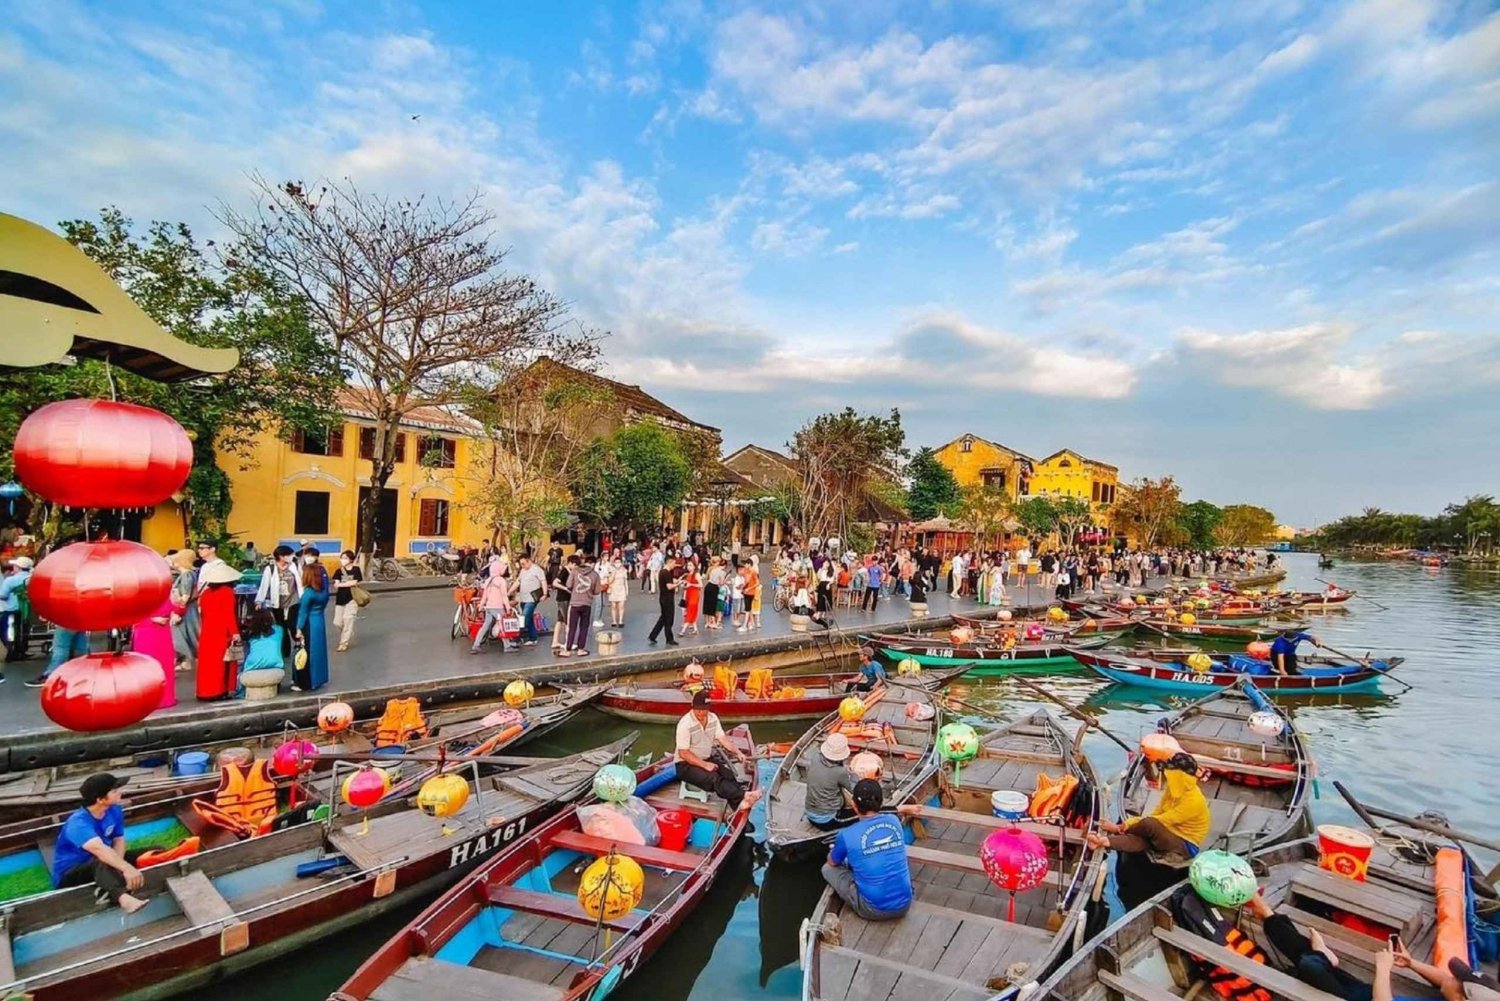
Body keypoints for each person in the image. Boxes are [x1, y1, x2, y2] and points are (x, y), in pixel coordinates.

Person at [52, 774, 150, 913]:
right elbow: (99, 850)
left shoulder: (114, 810)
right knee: (100, 862)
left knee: (152, 851)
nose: (120, 793)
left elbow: (118, 839)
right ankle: (124, 899)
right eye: (114, 791)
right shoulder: (78, 823)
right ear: (100, 799)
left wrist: (119, 866)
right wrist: (126, 869)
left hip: (103, 861)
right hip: (71, 873)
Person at [821, 778, 913, 921]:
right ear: (881, 803)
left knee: (827, 869)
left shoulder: (846, 834)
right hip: (905, 904)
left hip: (872, 909)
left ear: (853, 805)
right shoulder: (894, 820)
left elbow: (832, 863)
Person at [1087, 752, 1209, 857]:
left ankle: (1117, 829)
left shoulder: (1194, 801)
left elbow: (1163, 820)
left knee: (1149, 824)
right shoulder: (1172, 791)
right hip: (1167, 832)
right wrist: (1132, 823)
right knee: (1143, 841)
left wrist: (1125, 825)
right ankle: (1102, 841)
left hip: (1185, 843)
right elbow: (1157, 812)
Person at [674, 690, 759, 811]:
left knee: (728, 775)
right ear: (692, 707)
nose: (701, 712)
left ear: (708, 708)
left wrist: (738, 753)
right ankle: (744, 796)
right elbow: (683, 753)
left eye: (704, 709)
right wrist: (704, 765)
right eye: (698, 709)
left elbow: (723, 740)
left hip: (706, 757)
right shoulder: (685, 723)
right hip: (685, 764)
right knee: (714, 778)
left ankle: (739, 806)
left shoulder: (713, 718)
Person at [196, 561, 243, 700]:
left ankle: (204, 691)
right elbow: (229, 615)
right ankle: (220, 690)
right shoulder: (227, 592)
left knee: (207, 664)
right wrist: (235, 632)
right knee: (222, 663)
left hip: (207, 630)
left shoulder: (205, 593)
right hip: (222, 631)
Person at [130, 588, 177, 710]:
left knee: (164, 665)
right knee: (149, 667)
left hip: (161, 634)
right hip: (146, 634)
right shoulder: (138, 598)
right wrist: (151, 619)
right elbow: (133, 617)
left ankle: (165, 698)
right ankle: (151, 699)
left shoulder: (163, 595)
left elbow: (176, 608)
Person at [254, 545, 302, 663]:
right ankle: (285, 650)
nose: (291, 557)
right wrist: (259, 600)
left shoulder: (294, 566)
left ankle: (298, 642)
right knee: (281, 626)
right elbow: (264, 586)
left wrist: (303, 597)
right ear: (281, 557)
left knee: (292, 623)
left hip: (293, 601)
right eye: (289, 555)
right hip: (277, 603)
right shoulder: (270, 569)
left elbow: (300, 583)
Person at [293, 549, 329, 691]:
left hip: (309, 623)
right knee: (318, 652)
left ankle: (306, 682)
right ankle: (318, 679)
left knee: (306, 652)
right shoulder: (322, 593)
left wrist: (298, 629)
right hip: (319, 621)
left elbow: (302, 613)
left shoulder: (308, 593)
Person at [805, 732, 857, 831]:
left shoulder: (815, 757)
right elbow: (854, 789)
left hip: (809, 812)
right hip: (826, 820)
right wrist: (854, 775)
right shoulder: (840, 772)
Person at [470, 565, 515, 655]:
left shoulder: (488, 580)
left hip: (489, 607)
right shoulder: (501, 581)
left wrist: (482, 605)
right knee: (502, 625)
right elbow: (504, 596)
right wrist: (508, 607)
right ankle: (507, 646)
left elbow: (485, 596)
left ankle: (476, 645)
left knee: (485, 626)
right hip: (497, 607)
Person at [239, 608, 286, 692]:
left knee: (248, 650)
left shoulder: (251, 634)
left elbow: (243, 636)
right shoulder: (279, 630)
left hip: (252, 666)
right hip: (276, 664)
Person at [0, 555, 33, 672]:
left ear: (19, 568)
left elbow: (3, 595)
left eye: (15, 566)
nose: (13, 567)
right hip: (27, 610)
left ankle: (13, 652)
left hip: (12, 609)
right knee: (24, 628)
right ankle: (22, 650)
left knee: (10, 632)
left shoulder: (10, 580)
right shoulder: (33, 577)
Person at [563, 556, 600, 656]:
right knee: (584, 627)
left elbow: (568, 585)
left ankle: (567, 650)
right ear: (593, 564)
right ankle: (581, 649)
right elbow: (597, 591)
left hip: (574, 603)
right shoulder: (595, 574)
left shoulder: (575, 571)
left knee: (572, 627)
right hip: (587, 604)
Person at [330, 550, 363, 652]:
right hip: (340, 599)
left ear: (351, 559)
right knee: (337, 622)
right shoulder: (339, 571)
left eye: (345, 558)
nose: (342, 560)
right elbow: (336, 584)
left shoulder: (356, 570)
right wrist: (341, 584)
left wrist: (341, 584)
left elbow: (354, 582)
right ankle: (348, 631)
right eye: (342, 558)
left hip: (352, 599)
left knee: (348, 619)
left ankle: (343, 643)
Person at [513, 554, 547, 646]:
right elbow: (518, 581)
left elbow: (543, 581)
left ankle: (517, 638)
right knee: (529, 618)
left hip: (532, 599)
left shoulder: (537, 570)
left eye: (523, 563)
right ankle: (533, 638)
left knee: (524, 618)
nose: (522, 566)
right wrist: (509, 592)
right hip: (523, 598)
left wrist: (544, 594)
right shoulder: (523, 571)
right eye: (521, 564)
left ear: (529, 561)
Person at [649, 555, 681, 646]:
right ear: (669, 562)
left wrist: (676, 581)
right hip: (667, 599)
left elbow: (668, 583)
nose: (674, 565)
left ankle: (653, 635)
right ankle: (669, 639)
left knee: (663, 618)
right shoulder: (666, 573)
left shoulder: (662, 572)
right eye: (674, 563)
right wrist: (678, 584)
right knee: (668, 619)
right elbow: (669, 586)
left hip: (663, 598)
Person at [606, 554, 629, 628]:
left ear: (621, 563)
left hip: (621, 589)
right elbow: (609, 581)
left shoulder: (624, 570)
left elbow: (625, 581)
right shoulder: (611, 570)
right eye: (616, 562)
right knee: (613, 606)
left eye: (619, 562)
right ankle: (614, 621)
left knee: (621, 606)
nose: (617, 564)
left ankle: (621, 621)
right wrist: (613, 573)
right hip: (613, 589)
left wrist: (627, 590)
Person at [739, 556, 761, 631]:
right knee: (749, 608)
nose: (745, 565)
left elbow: (757, 583)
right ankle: (751, 623)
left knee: (747, 609)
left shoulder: (753, 572)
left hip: (750, 592)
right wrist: (742, 587)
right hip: (746, 591)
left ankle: (745, 625)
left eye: (746, 564)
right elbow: (745, 581)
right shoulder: (746, 571)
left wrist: (749, 588)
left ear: (749, 564)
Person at [681, 560, 702, 635]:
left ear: (694, 566)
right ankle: (695, 629)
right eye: (688, 565)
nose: (688, 567)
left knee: (690, 610)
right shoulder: (689, 574)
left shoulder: (697, 574)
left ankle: (683, 630)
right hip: (688, 594)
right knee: (690, 610)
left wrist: (691, 585)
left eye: (690, 565)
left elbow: (701, 585)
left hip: (694, 594)